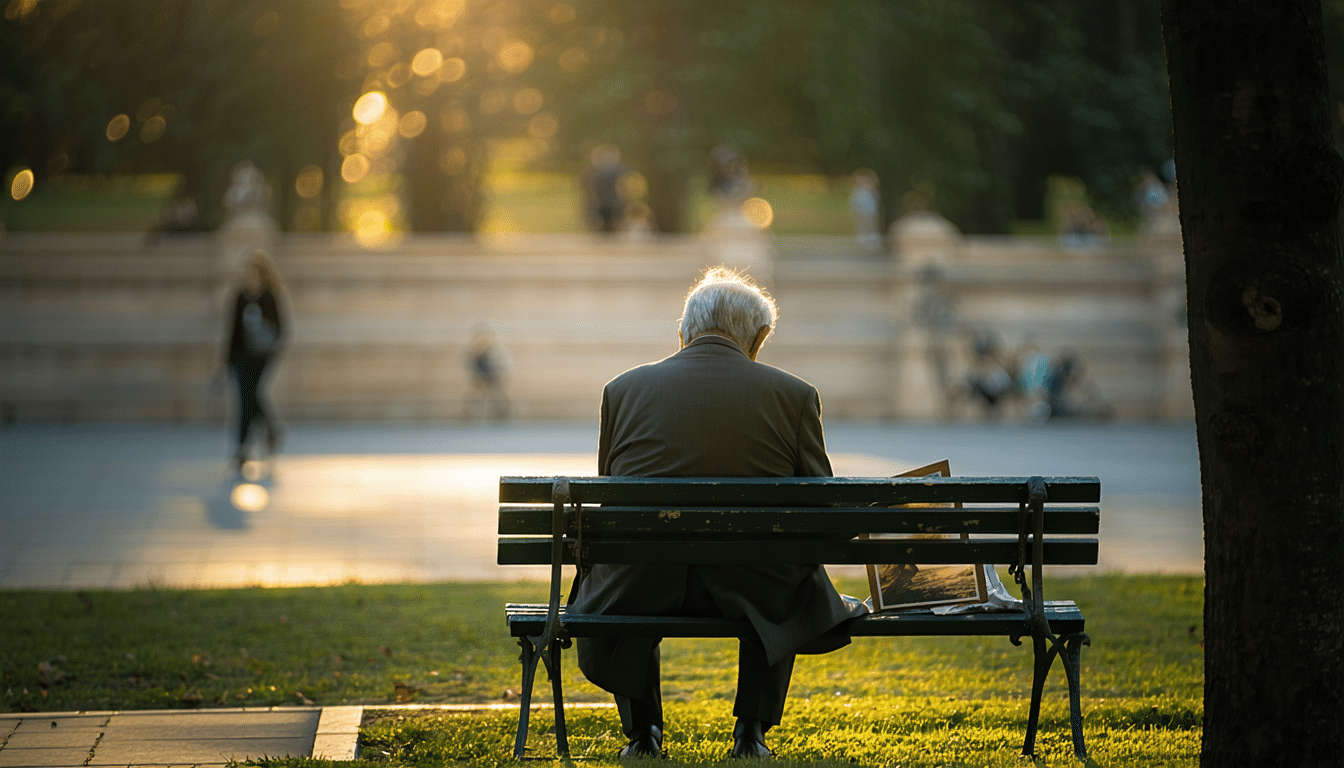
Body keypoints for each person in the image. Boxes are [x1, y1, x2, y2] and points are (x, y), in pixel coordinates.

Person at [571, 267, 865, 759]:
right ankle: (751, 734)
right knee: (784, 571)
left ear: (684, 331)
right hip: (753, 586)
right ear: (756, 337)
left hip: (641, 583)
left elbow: (614, 497)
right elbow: (823, 511)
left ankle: (643, 734)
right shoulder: (795, 396)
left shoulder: (621, 391)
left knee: (626, 566)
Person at [225, 250, 287, 471]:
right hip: (240, 356)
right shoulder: (240, 296)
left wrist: (273, 351)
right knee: (247, 398)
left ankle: (246, 446)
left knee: (250, 396)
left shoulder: (269, 296)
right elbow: (232, 329)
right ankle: (259, 437)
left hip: (261, 357)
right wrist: (225, 360)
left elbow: (280, 327)